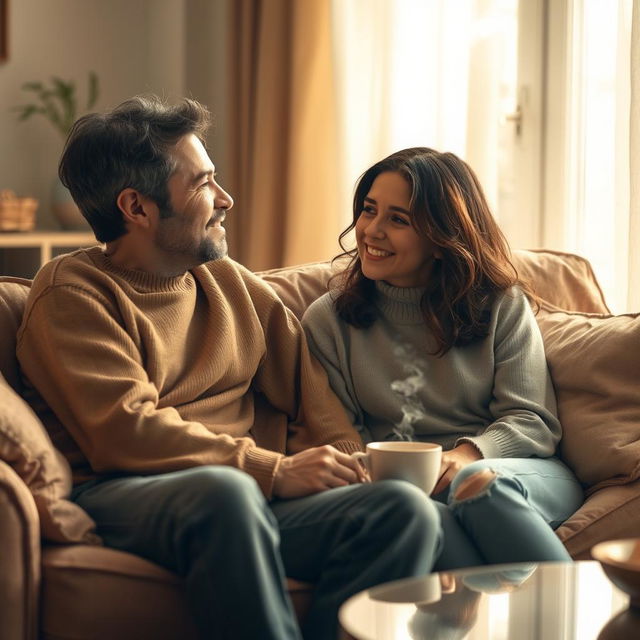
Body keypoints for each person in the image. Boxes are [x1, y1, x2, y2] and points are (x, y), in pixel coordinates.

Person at [16, 99, 442, 640]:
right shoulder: (72, 293)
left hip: (239, 500)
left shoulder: (232, 286)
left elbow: (312, 395)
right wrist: (272, 469)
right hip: (125, 494)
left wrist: (356, 471)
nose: (226, 199)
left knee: (400, 509)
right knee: (225, 492)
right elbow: (122, 430)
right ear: (137, 208)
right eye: (203, 185)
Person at [302, 147, 584, 570]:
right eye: (368, 210)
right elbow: (346, 435)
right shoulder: (327, 320)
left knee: (471, 485)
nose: (371, 230)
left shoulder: (500, 305)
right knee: (428, 518)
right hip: (408, 491)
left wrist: (465, 456)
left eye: (398, 219)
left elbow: (533, 422)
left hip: (512, 473)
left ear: (441, 238)